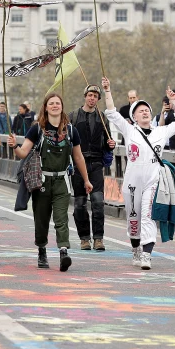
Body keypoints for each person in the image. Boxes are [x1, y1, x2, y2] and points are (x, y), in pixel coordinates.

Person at [103, 78, 175, 270]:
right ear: (134, 117)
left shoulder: (161, 132)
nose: (145, 112)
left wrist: (173, 101)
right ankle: (136, 249)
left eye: (147, 109)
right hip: (132, 181)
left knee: (148, 216)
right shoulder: (129, 130)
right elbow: (112, 113)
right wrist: (107, 90)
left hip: (152, 179)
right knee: (134, 217)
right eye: (140, 111)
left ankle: (147, 254)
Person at [8, 94, 93, 272]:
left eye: (58, 103)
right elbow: (23, 153)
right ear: (45, 108)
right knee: (41, 220)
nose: (55, 106)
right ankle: (42, 250)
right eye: (51, 104)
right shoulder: (37, 129)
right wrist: (15, 145)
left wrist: (86, 180)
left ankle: (63, 252)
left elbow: (78, 157)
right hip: (42, 181)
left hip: (62, 181)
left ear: (62, 107)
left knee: (61, 219)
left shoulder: (71, 131)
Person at [68, 85, 116, 251]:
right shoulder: (72, 117)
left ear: (98, 99)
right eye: (90, 95)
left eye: (95, 96)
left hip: (96, 164)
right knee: (80, 204)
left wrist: (111, 145)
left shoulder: (102, 118)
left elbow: (108, 142)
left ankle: (98, 239)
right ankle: (84, 239)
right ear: (85, 96)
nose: (92, 98)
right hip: (78, 165)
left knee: (97, 202)